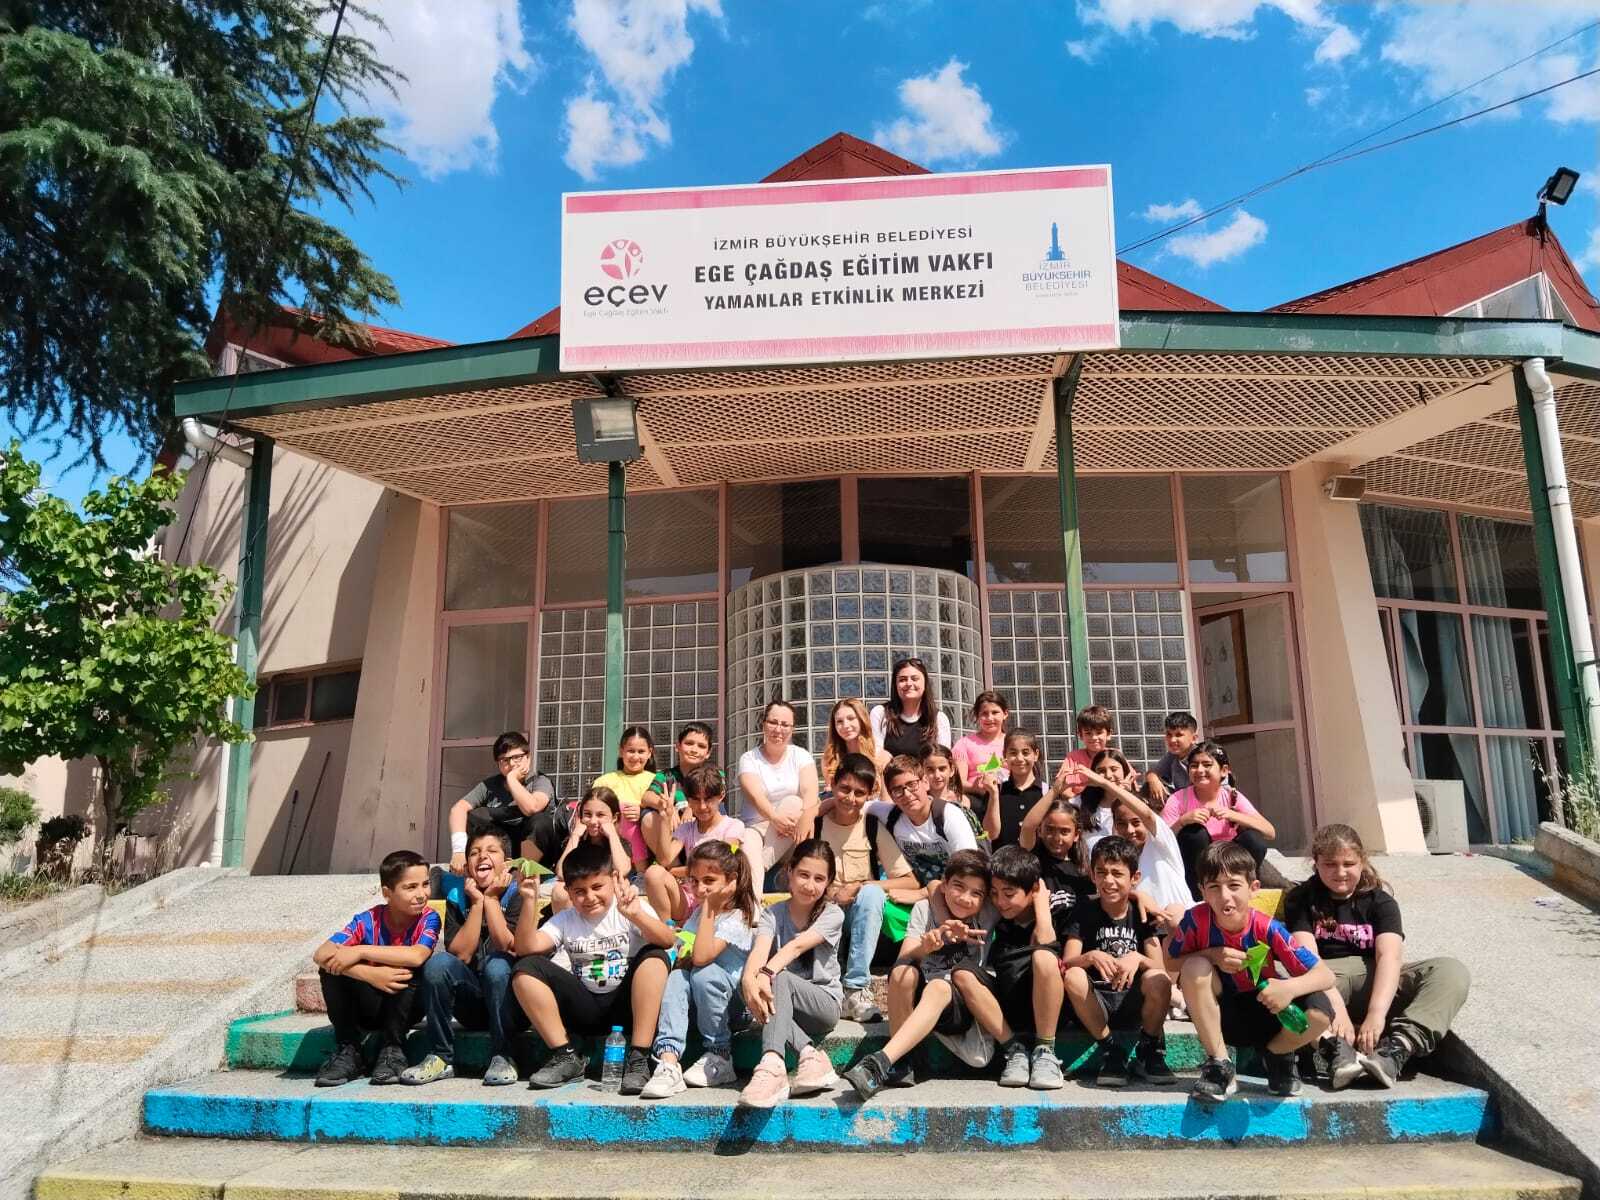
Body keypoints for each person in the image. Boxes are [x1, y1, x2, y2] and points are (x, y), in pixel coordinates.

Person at [1286, 823, 1470, 1089]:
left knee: (1450, 971)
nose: (1340, 872)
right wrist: (1337, 1010)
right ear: (1316, 863)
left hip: (1377, 985)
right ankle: (1335, 1051)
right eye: (1330, 864)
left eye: (1349, 863)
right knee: (1288, 987)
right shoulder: (1300, 899)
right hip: (1327, 985)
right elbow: (1308, 960)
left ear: (1362, 861)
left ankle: (1395, 1051)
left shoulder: (1381, 902)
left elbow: (1389, 957)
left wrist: (1376, 1014)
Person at [1165, 841, 1334, 1102]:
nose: (1225, 896)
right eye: (1214, 887)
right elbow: (1171, 962)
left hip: (1267, 1008)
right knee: (1195, 966)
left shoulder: (1268, 927)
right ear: (1202, 891)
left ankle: (1278, 1055)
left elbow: (1325, 975)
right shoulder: (1196, 921)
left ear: (1253, 888)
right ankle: (1220, 1066)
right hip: (1224, 1014)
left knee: (1320, 1014)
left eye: (1234, 885)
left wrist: (1288, 988)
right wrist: (1212, 954)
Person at [510, 841, 674, 1094]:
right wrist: (529, 901)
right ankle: (565, 1056)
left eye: (597, 887)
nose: (590, 897)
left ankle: (639, 1058)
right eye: (579, 891)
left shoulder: (631, 907)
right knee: (525, 969)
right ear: (568, 892)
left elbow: (667, 940)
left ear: (614, 879)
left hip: (627, 1007)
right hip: (585, 1007)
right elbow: (525, 947)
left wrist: (635, 915)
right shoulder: (565, 919)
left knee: (655, 957)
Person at [842, 849, 1000, 1099]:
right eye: (958, 887)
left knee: (939, 987)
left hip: (960, 1006)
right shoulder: (924, 909)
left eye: (976, 893)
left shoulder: (988, 913)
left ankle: (882, 1061)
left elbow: (935, 884)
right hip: (922, 1002)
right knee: (902, 972)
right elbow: (904, 956)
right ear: (945, 885)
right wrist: (926, 947)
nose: (965, 898)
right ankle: (902, 1063)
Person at [402, 829, 527, 1086]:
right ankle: (441, 1056)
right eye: (474, 852)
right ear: (468, 865)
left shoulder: (518, 893)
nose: (482, 856)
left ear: (507, 863)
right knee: (438, 964)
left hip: (510, 1004)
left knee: (497, 965)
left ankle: (504, 1055)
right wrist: (478, 903)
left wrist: (492, 899)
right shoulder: (458, 896)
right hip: (472, 1003)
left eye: (491, 851)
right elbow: (461, 953)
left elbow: (507, 946)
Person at [311, 849, 439, 1087]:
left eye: (425, 884)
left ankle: (393, 1049)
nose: (421, 894)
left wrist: (360, 951)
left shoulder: (428, 918)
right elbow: (322, 954)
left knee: (412, 967)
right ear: (387, 893)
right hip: (368, 1006)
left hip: (405, 1006)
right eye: (410, 887)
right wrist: (370, 974)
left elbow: (417, 955)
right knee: (330, 968)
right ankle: (348, 1050)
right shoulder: (367, 920)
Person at [642, 840, 759, 1099]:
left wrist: (709, 908)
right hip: (701, 1003)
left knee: (704, 974)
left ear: (732, 881)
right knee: (678, 977)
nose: (700, 888)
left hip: (734, 1008)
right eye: (694, 881)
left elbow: (703, 957)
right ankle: (668, 1061)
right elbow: (684, 953)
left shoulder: (739, 917)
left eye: (709, 881)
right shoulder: (697, 915)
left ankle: (720, 1054)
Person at [740, 840, 847, 1107]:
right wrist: (748, 981)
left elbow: (796, 947)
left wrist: (764, 974)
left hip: (823, 1004)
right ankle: (810, 1054)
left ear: (828, 882)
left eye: (819, 879)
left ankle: (772, 1065)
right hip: (783, 1005)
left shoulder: (833, 914)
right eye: (803, 874)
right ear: (789, 871)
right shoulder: (773, 913)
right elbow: (759, 951)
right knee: (755, 984)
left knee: (780, 977)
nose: (810, 885)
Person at [1061, 836, 1175, 1087]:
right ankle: (1111, 1049)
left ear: (1134, 878)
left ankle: (1149, 1048)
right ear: (1092, 875)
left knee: (1159, 980)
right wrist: (1090, 956)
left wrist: (1138, 958)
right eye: (1101, 873)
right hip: (1097, 1001)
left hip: (1134, 1001)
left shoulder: (1143, 914)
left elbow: (1160, 970)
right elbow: (1067, 964)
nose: (1108, 881)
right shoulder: (1084, 909)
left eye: (1117, 873)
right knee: (1074, 976)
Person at [818, 753, 917, 1021]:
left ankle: (856, 988)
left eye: (859, 793)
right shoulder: (815, 824)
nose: (850, 798)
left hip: (858, 918)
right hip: (821, 913)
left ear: (869, 794)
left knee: (872, 894)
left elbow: (909, 880)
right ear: (832, 785)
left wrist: (860, 886)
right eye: (844, 789)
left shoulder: (871, 826)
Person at [985, 845, 1068, 1090]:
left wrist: (1041, 908)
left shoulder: (1058, 912)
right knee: (963, 974)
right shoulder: (997, 918)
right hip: (1009, 1009)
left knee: (1043, 957)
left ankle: (1045, 1050)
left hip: (1051, 1010)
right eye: (994, 893)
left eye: (1009, 893)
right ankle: (1015, 1050)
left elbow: (1046, 943)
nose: (1000, 902)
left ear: (1034, 889)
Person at [1161, 740, 1275, 899]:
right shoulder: (1179, 799)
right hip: (1197, 872)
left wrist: (1233, 815)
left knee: (1253, 838)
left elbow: (1269, 832)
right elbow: (1160, 841)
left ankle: (1240, 890)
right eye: (1194, 766)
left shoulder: (1232, 797)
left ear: (1224, 771)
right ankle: (1199, 896)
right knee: (1194, 834)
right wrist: (1183, 821)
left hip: (1230, 866)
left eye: (1207, 765)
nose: (1200, 770)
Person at [1079, 766, 1191, 926]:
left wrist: (1106, 784)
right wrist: (1137, 895)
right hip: (1148, 932)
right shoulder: (1118, 858)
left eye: (1136, 822)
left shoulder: (1161, 842)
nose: (1130, 830)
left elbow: (1147, 815)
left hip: (1183, 926)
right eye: (1121, 824)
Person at [447, 732, 561, 874]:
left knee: (540, 820)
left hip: (540, 853)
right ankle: (485, 867)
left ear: (528, 757)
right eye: (504, 760)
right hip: (506, 848)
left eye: (517, 757)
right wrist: (458, 850)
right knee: (474, 815)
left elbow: (532, 808)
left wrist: (512, 779)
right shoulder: (489, 786)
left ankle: (523, 872)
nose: (512, 764)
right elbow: (458, 809)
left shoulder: (540, 781)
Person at [863, 755, 979, 892]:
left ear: (925, 782)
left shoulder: (949, 816)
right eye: (897, 790)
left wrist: (923, 894)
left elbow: (968, 867)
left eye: (912, 785)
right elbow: (853, 805)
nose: (907, 794)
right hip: (912, 890)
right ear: (891, 795)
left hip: (950, 892)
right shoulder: (891, 815)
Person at [737, 700, 820, 879]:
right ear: (763, 725)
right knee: (749, 843)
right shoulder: (749, 759)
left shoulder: (801, 756)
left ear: (792, 729)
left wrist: (806, 817)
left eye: (785, 724)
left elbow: (810, 793)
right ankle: (753, 891)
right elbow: (756, 797)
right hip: (757, 829)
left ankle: (760, 865)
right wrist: (775, 818)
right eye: (773, 722)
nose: (778, 729)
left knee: (794, 803)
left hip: (790, 834)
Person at [657, 765, 750, 918]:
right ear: (688, 800)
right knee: (654, 873)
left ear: (721, 796)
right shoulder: (686, 828)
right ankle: (667, 927)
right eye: (695, 800)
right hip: (689, 898)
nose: (702, 806)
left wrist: (675, 871)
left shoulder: (734, 826)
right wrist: (664, 820)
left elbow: (722, 865)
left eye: (708, 799)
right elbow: (664, 860)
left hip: (717, 899)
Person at [643, 721, 716, 863]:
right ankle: (673, 867)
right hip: (673, 840)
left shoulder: (714, 774)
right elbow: (646, 797)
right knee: (648, 816)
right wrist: (667, 808)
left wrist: (691, 809)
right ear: (678, 746)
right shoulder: (666, 776)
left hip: (704, 837)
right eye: (689, 743)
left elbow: (715, 798)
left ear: (708, 753)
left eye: (701, 746)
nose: (694, 749)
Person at [979, 730, 1066, 849]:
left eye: (1025, 753)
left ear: (1036, 755)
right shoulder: (996, 791)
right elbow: (991, 834)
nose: (1019, 758)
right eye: (1013, 753)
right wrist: (994, 795)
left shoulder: (1048, 793)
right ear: (1005, 755)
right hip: (1003, 859)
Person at [591, 726, 659, 869]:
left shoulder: (656, 780)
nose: (635, 757)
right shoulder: (604, 781)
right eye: (631, 751)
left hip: (647, 842)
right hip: (609, 838)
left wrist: (642, 812)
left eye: (641, 751)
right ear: (621, 751)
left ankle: (641, 870)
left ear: (649, 753)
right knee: (623, 809)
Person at [1018, 797, 1094, 920]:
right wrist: (1055, 790)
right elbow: (1028, 827)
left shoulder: (1085, 870)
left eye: (1064, 831)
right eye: (1050, 829)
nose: (1056, 838)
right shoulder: (1033, 859)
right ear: (1040, 830)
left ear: (1076, 835)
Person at [870, 657, 953, 760]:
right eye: (902, 680)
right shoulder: (880, 713)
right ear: (895, 685)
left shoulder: (939, 718)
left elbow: (942, 761)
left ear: (925, 683)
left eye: (915, 679)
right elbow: (877, 756)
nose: (909, 683)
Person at [820, 697, 889, 794]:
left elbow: (887, 800)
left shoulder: (881, 757)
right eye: (839, 721)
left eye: (851, 718)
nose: (845, 725)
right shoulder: (830, 759)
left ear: (862, 720)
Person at [952, 689, 1009, 792]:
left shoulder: (1013, 743)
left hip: (1009, 795)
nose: (989, 718)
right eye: (984, 714)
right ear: (977, 716)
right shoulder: (964, 744)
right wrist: (974, 788)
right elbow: (959, 783)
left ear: (1005, 714)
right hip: (976, 798)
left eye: (995, 712)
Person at [1078, 748, 1140, 844]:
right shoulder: (1079, 802)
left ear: (1124, 771)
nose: (1108, 775)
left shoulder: (1138, 804)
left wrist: (1123, 796)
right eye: (1101, 770)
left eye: (1114, 769)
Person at [1058, 705, 1115, 797]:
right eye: (1088, 733)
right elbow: (1063, 788)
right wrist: (1079, 802)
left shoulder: (1115, 756)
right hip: (1079, 803)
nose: (1094, 737)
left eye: (1099, 732)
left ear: (1109, 734)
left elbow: (1127, 784)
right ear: (1080, 735)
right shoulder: (1073, 758)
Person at [1144, 711, 1199, 804]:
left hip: (1203, 804)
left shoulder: (1203, 757)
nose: (1172, 740)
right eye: (1169, 734)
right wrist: (1153, 779)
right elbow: (1153, 772)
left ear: (1194, 738)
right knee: (1148, 788)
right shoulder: (1172, 755)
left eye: (1179, 735)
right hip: (1182, 802)